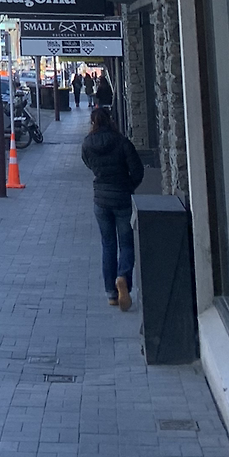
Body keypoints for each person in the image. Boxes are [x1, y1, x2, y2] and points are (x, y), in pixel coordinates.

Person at [80, 106, 145, 309]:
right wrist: (128, 186)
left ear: (93, 122)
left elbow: (88, 163)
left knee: (108, 245)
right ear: (111, 120)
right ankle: (123, 277)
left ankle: (111, 293)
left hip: (100, 199)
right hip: (122, 198)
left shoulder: (87, 144)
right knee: (126, 244)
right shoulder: (122, 142)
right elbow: (137, 171)